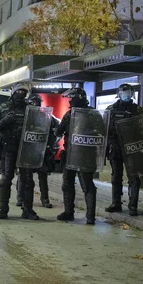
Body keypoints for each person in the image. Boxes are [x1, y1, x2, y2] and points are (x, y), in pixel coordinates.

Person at [0, 83, 34, 219]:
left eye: (23, 92)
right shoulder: (3, 108)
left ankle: (27, 210)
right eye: (18, 91)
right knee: (6, 179)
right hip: (8, 147)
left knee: (28, 181)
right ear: (13, 92)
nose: (21, 94)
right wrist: (5, 121)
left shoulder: (30, 109)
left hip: (25, 148)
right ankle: (3, 210)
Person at [56, 88, 99, 225]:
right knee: (75, 184)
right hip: (77, 154)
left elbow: (59, 130)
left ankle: (80, 214)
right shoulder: (89, 113)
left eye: (71, 98)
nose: (70, 101)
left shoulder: (78, 114)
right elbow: (60, 130)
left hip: (79, 154)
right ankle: (79, 214)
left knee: (79, 184)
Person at [105, 84, 143, 216]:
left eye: (129, 93)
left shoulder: (138, 110)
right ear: (119, 93)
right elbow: (104, 129)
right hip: (115, 147)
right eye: (124, 93)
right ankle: (116, 203)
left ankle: (133, 206)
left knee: (134, 177)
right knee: (116, 176)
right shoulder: (110, 110)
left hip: (131, 148)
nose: (126, 95)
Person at [15, 93, 55, 209]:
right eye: (33, 102)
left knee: (43, 176)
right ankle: (20, 198)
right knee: (23, 176)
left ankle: (45, 199)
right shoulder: (24, 116)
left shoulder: (46, 116)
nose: (35, 105)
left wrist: (49, 146)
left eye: (37, 102)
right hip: (27, 150)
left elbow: (53, 131)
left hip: (40, 150)